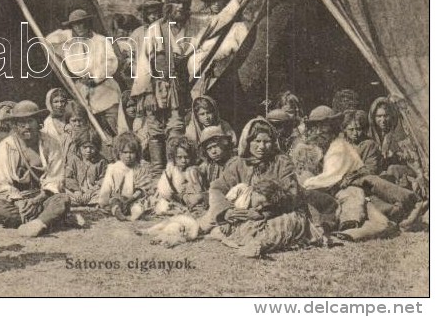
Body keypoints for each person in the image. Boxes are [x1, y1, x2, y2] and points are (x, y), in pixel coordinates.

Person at [130, 0, 257, 174]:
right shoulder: (156, 29)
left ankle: (174, 167)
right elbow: (144, 63)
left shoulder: (196, 25)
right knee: (155, 128)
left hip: (181, 86)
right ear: (168, 5)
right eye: (176, 2)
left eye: (184, 3)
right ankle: (157, 169)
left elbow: (220, 20)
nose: (180, 7)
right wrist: (147, 93)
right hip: (156, 86)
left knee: (176, 126)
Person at [206, 117, 314, 258]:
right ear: (247, 141)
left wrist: (265, 213)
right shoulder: (239, 164)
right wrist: (226, 212)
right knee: (222, 221)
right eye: (257, 141)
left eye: (267, 141)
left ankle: (259, 244)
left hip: (276, 213)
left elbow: (292, 195)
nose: (262, 147)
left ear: (273, 142)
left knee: (289, 222)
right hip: (244, 215)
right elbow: (217, 189)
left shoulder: (282, 163)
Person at [0, 100, 70, 237]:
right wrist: (20, 202)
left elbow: (56, 177)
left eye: (30, 121)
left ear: (38, 122)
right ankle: (48, 220)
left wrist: (38, 199)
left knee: (63, 200)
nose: (27, 126)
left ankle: (36, 224)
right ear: (14, 126)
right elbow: (0, 181)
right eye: (21, 123)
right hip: (17, 200)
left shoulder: (51, 143)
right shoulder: (6, 146)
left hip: (43, 198)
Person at [46, 9, 121, 137]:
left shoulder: (100, 40)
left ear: (88, 24)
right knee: (89, 130)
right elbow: (49, 40)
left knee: (115, 127)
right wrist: (68, 34)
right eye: (75, 24)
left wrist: (96, 78)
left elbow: (111, 63)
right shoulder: (69, 43)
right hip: (83, 91)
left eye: (82, 23)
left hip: (105, 89)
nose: (80, 27)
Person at [342, 109, 420, 227]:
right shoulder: (341, 145)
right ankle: (396, 213)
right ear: (344, 130)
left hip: (365, 180)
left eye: (358, 129)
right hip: (349, 185)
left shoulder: (369, 144)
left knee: (373, 184)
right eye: (351, 129)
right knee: (370, 202)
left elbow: (371, 169)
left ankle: (411, 200)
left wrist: (351, 176)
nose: (355, 133)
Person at [301, 106, 368, 231]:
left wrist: (306, 183)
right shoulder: (320, 146)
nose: (319, 131)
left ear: (332, 127)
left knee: (351, 196)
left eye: (323, 127)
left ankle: (345, 223)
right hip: (329, 186)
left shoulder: (338, 147)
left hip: (344, 184)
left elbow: (331, 176)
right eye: (316, 127)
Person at [368, 97, 426, 198]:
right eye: (379, 116)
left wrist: (395, 156)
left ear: (392, 116)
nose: (383, 120)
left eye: (386, 116)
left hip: (404, 172)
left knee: (392, 169)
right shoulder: (373, 136)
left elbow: (414, 161)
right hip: (383, 173)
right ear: (373, 117)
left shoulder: (399, 134)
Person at [97, 132, 156, 221]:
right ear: (119, 153)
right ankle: (117, 212)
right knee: (114, 202)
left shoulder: (139, 168)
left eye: (131, 152)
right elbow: (107, 186)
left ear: (137, 153)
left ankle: (135, 215)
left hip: (134, 199)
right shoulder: (113, 168)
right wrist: (103, 201)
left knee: (138, 206)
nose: (128, 156)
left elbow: (142, 188)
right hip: (118, 197)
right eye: (125, 152)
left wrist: (131, 199)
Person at [153, 136, 206, 218]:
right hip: (174, 199)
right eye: (179, 157)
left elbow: (198, 191)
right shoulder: (171, 168)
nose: (183, 160)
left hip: (191, 200)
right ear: (174, 157)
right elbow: (164, 190)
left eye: (186, 157)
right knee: (162, 207)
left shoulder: (194, 169)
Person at [64, 127, 108, 207]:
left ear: (97, 147)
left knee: (106, 191)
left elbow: (104, 178)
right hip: (76, 192)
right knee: (60, 188)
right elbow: (68, 177)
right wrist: (76, 190)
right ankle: (79, 201)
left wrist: (91, 191)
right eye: (85, 147)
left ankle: (91, 201)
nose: (88, 150)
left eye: (91, 147)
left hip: (93, 192)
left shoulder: (101, 161)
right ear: (79, 147)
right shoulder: (74, 159)